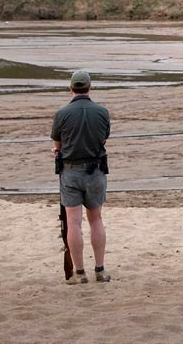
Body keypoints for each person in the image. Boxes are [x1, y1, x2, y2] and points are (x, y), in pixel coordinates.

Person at [51, 70, 112, 285]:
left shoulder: (62, 113)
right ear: (89, 87)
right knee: (96, 219)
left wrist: (57, 150)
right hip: (95, 171)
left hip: (71, 171)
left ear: (71, 88)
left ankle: (79, 273)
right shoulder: (102, 112)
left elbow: (57, 145)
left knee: (73, 222)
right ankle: (100, 269)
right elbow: (103, 137)